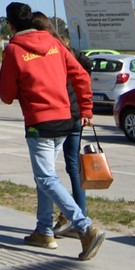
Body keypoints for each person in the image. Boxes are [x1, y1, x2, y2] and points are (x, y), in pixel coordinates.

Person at [0, 1, 106, 261]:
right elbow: (80, 75)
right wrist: (87, 109)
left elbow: (5, 95)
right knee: (44, 176)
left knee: (46, 177)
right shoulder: (54, 43)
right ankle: (44, 230)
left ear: (10, 25)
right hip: (65, 121)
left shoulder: (13, 50)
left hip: (39, 125)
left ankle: (84, 227)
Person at [35, 12, 89, 238]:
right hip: (76, 117)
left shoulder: (50, 53)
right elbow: (85, 72)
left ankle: (76, 219)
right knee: (73, 168)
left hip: (62, 117)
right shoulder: (69, 51)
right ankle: (76, 215)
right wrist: (86, 108)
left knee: (48, 172)